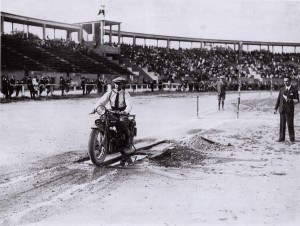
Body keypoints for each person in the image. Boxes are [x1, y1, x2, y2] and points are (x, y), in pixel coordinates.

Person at [93, 77, 133, 152]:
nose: (117, 86)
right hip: (112, 112)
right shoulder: (110, 92)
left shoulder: (126, 94)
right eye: (116, 84)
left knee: (123, 124)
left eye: (119, 84)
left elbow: (129, 105)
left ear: (123, 85)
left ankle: (127, 144)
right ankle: (95, 144)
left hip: (122, 113)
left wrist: (125, 111)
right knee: (102, 121)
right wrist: (96, 108)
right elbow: (101, 101)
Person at [274, 76, 299, 142]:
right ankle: (281, 138)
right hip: (282, 109)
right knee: (282, 125)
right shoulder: (282, 89)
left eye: (287, 81)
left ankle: (292, 138)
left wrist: (289, 100)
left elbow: (297, 100)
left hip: (289, 110)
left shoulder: (294, 89)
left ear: (290, 81)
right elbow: (279, 99)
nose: (285, 82)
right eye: (284, 81)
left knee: (290, 125)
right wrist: (275, 108)